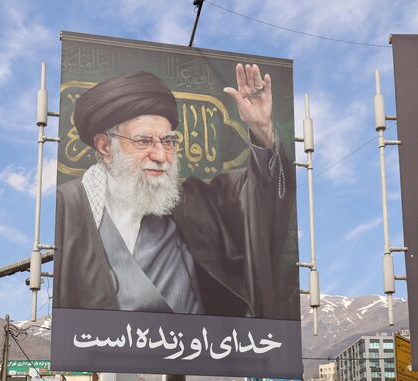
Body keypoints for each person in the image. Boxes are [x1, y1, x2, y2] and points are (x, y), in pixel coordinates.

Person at [55, 65, 297, 319]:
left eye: (168, 141)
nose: (161, 156)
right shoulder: (68, 209)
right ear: (105, 147)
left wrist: (261, 131)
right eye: (143, 141)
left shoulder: (194, 202)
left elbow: (259, 196)